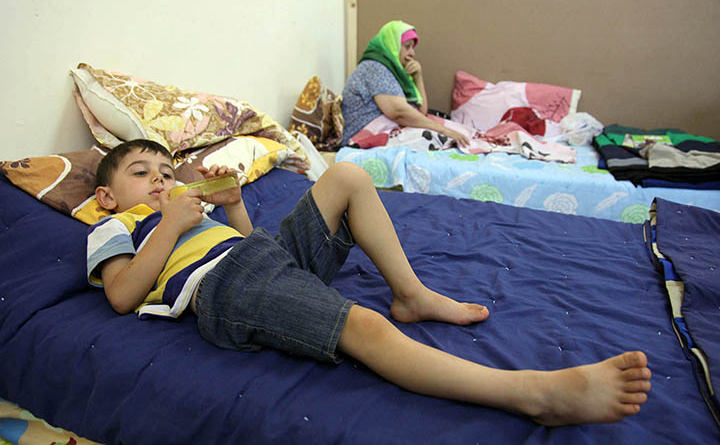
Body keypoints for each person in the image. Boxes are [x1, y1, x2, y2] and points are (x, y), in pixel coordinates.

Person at [87, 139, 651, 426]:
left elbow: (240, 243)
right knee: (363, 324)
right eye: (142, 174)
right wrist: (167, 225)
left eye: (165, 172)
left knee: (349, 175)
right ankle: (534, 394)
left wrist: (233, 207)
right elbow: (120, 295)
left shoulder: (182, 211)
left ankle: (412, 293)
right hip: (223, 291)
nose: (160, 181)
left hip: (254, 257)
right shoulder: (113, 226)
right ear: (108, 196)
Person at [341, 20, 470, 148]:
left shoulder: (395, 72)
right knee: (438, 137)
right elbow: (398, 112)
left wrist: (418, 77)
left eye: (413, 48)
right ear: (392, 45)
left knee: (460, 134)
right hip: (360, 138)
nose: (412, 53)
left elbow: (421, 112)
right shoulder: (374, 67)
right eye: (407, 46)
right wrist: (443, 130)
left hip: (384, 131)